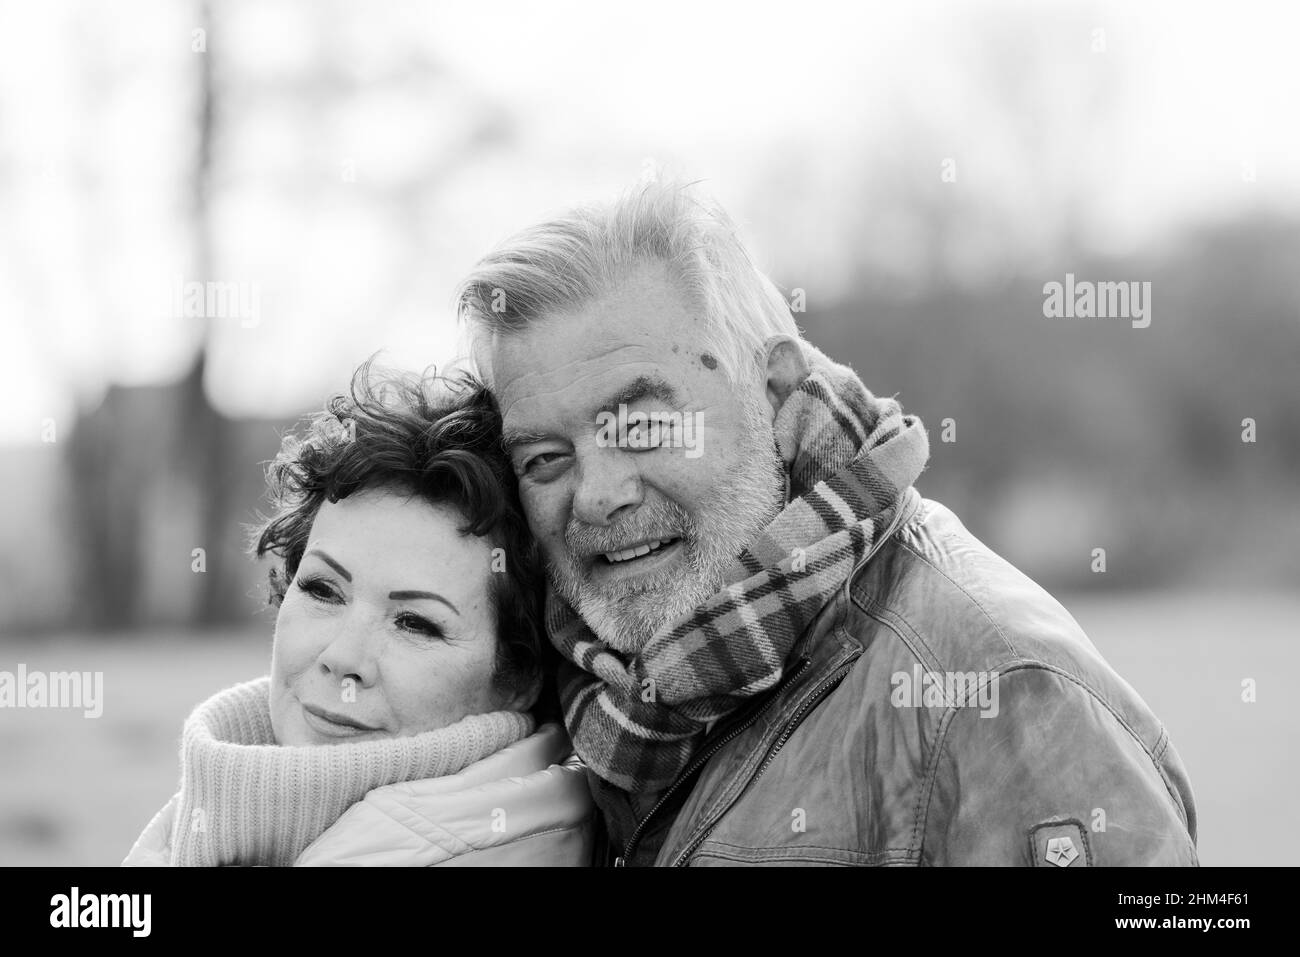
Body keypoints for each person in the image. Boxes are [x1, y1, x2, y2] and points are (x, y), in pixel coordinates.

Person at [454, 174, 1199, 866]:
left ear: (776, 392)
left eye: (642, 425)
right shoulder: (559, 694)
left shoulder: (996, 694)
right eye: (545, 458)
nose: (596, 494)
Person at [122, 362, 594, 866]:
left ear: (519, 676)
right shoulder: (195, 830)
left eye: (415, 623)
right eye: (323, 590)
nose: (343, 659)